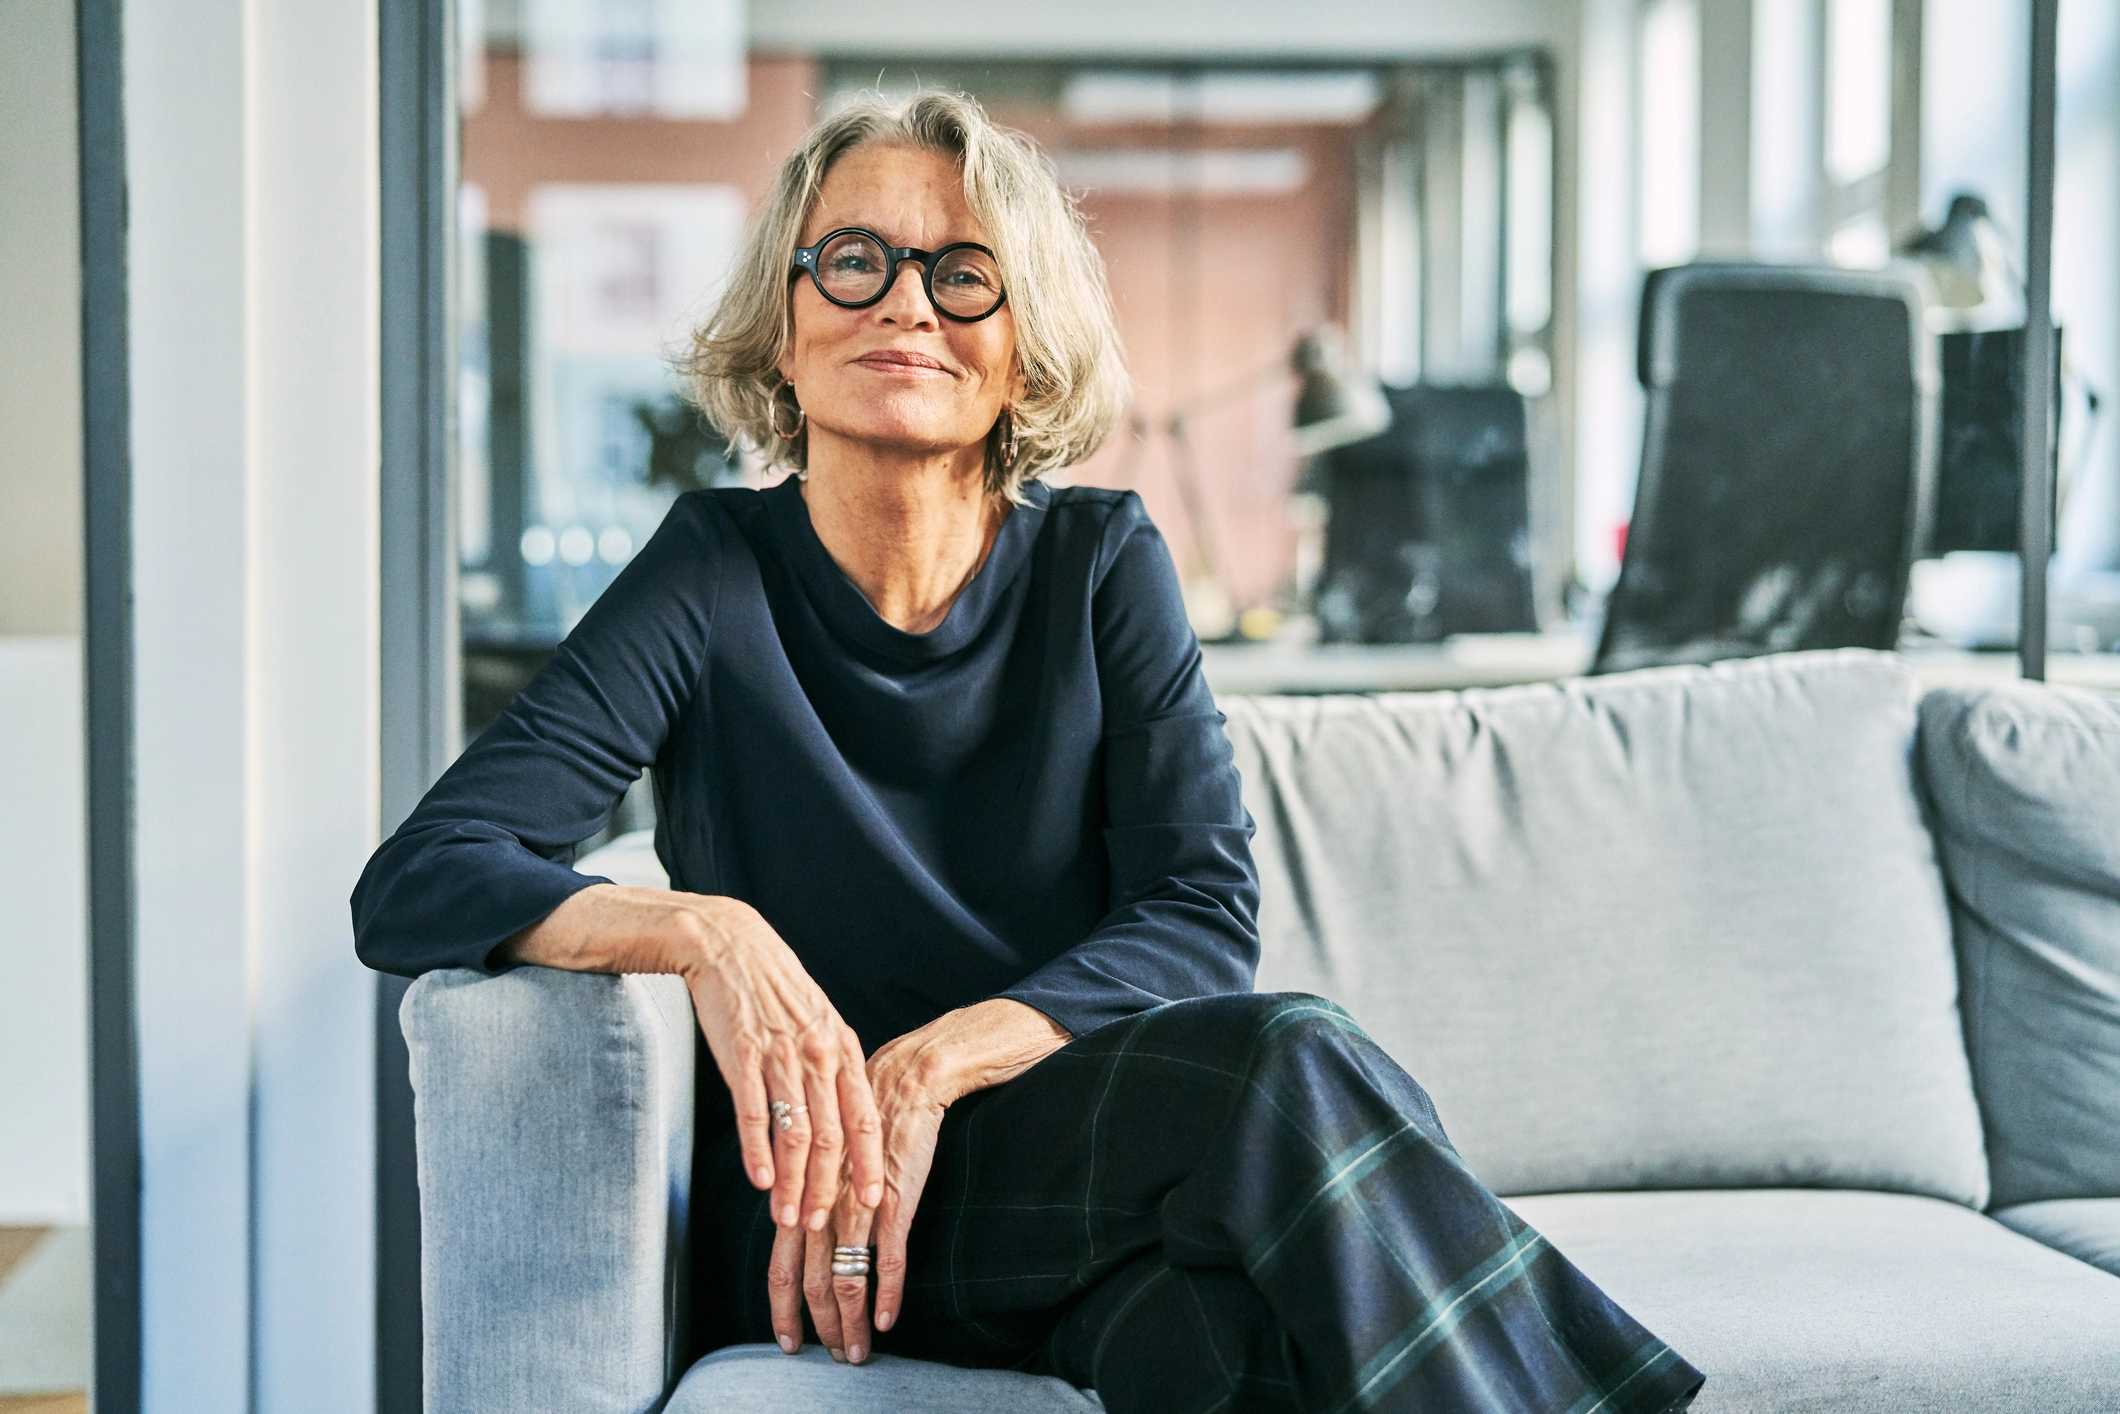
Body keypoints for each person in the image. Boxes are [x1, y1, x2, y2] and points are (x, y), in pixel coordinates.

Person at [352, 90, 1702, 1414]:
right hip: (831, 1216)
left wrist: (935, 1060)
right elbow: (419, 875)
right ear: (783, 324)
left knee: (1221, 1344)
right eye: (857, 261)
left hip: (1085, 1168)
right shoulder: (711, 575)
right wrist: (703, 931)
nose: (906, 303)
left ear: (1024, 353)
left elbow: (1198, 912)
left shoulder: (1101, 560)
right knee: (1281, 1061)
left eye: (963, 273)